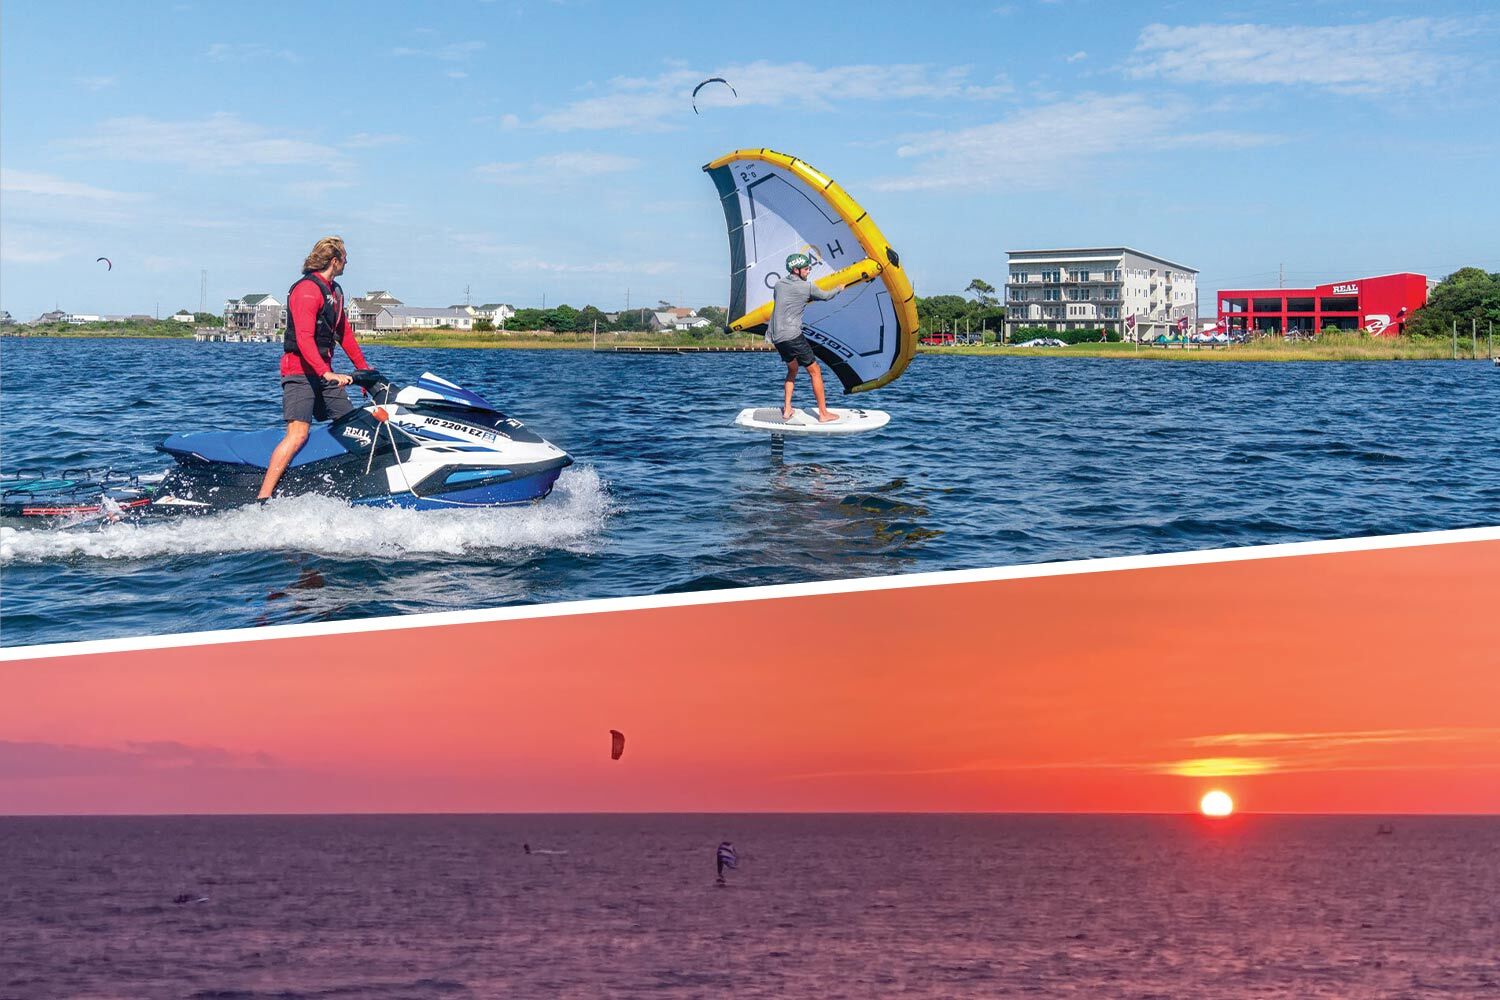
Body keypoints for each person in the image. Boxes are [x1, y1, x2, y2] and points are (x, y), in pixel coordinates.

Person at [256, 236, 371, 501]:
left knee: (353, 428)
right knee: (298, 434)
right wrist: (325, 372)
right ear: (335, 260)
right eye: (345, 257)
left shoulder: (336, 292)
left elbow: (345, 334)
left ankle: (348, 480)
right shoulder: (307, 290)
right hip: (299, 373)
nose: (347, 262)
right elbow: (305, 339)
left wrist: (363, 372)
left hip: (322, 373)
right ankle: (263, 497)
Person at [768, 252, 841, 422]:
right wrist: (840, 287)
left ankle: (787, 409)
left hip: (777, 336)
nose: (809, 271)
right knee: (815, 372)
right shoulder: (806, 287)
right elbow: (826, 296)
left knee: (792, 370)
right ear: (796, 270)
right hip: (793, 335)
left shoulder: (778, 285)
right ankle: (823, 414)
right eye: (806, 268)